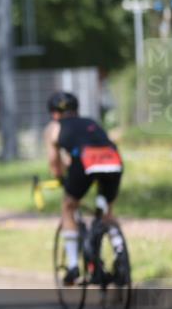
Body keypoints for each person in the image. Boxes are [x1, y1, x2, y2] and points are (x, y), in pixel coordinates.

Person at [43, 91, 124, 285]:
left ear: (54, 113)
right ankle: (120, 254)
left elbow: (54, 162)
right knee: (107, 213)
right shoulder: (91, 122)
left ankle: (73, 266)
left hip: (85, 162)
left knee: (68, 207)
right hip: (113, 160)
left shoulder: (54, 127)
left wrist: (61, 178)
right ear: (76, 109)